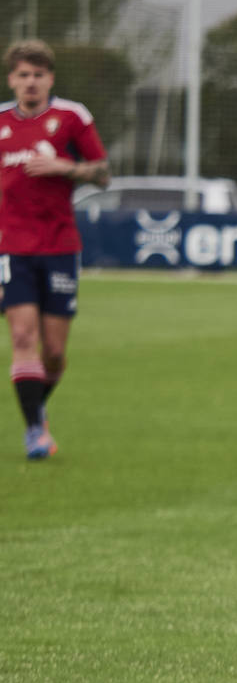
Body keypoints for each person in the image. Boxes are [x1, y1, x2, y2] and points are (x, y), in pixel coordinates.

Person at [0, 40, 109, 459]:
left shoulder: (71, 117)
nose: (31, 82)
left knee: (55, 354)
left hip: (60, 245)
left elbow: (103, 173)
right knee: (22, 336)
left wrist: (64, 167)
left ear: (50, 79)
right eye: (23, 75)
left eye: (38, 75)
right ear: (12, 79)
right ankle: (34, 433)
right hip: (12, 247)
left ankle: (36, 403)